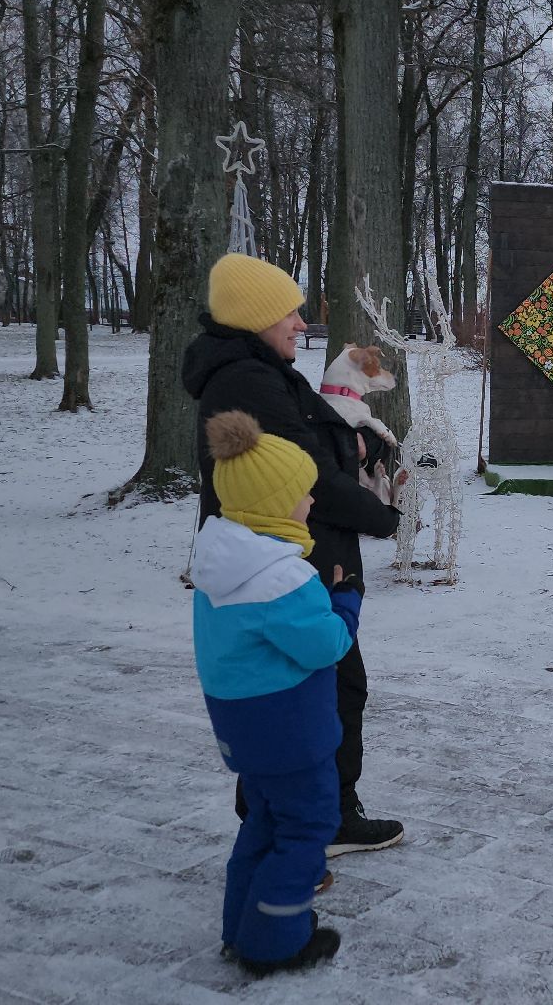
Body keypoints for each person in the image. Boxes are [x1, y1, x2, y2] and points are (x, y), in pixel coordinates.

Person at [183, 253, 404, 858]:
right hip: (291, 557)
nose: (302, 325)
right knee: (308, 690)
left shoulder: (263, 370)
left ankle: (302, 821)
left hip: (298, 550)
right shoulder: (247, 380)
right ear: (256, 317)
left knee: (312, 689)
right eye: (291, 312)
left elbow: (311, 440)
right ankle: (298, 832)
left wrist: (352, 441)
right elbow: (300, 475)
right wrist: (383, 518)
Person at [189, 411, 356, 975]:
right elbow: (324, 645)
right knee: (307, 828)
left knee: (263, 823)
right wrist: (346, 604)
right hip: (290, 733)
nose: (311, 503)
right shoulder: (281, 579)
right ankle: (274, 941)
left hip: (246, 733)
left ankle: (242, 928)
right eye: (302, 495)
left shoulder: (223, 566)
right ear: (273, 505)